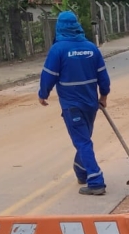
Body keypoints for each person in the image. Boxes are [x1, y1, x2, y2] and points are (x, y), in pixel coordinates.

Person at [38, 11, 110, 195]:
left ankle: (96, 181)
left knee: (82, 141)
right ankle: (81, 171)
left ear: (59, 27)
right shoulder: (91, 48)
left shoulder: (58, 49)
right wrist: (103, 96)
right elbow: (103, 76)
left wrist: (43, 94)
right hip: (91, 104)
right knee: (84, 139)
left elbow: (48, 75)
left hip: (72, 106)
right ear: (77, 26)